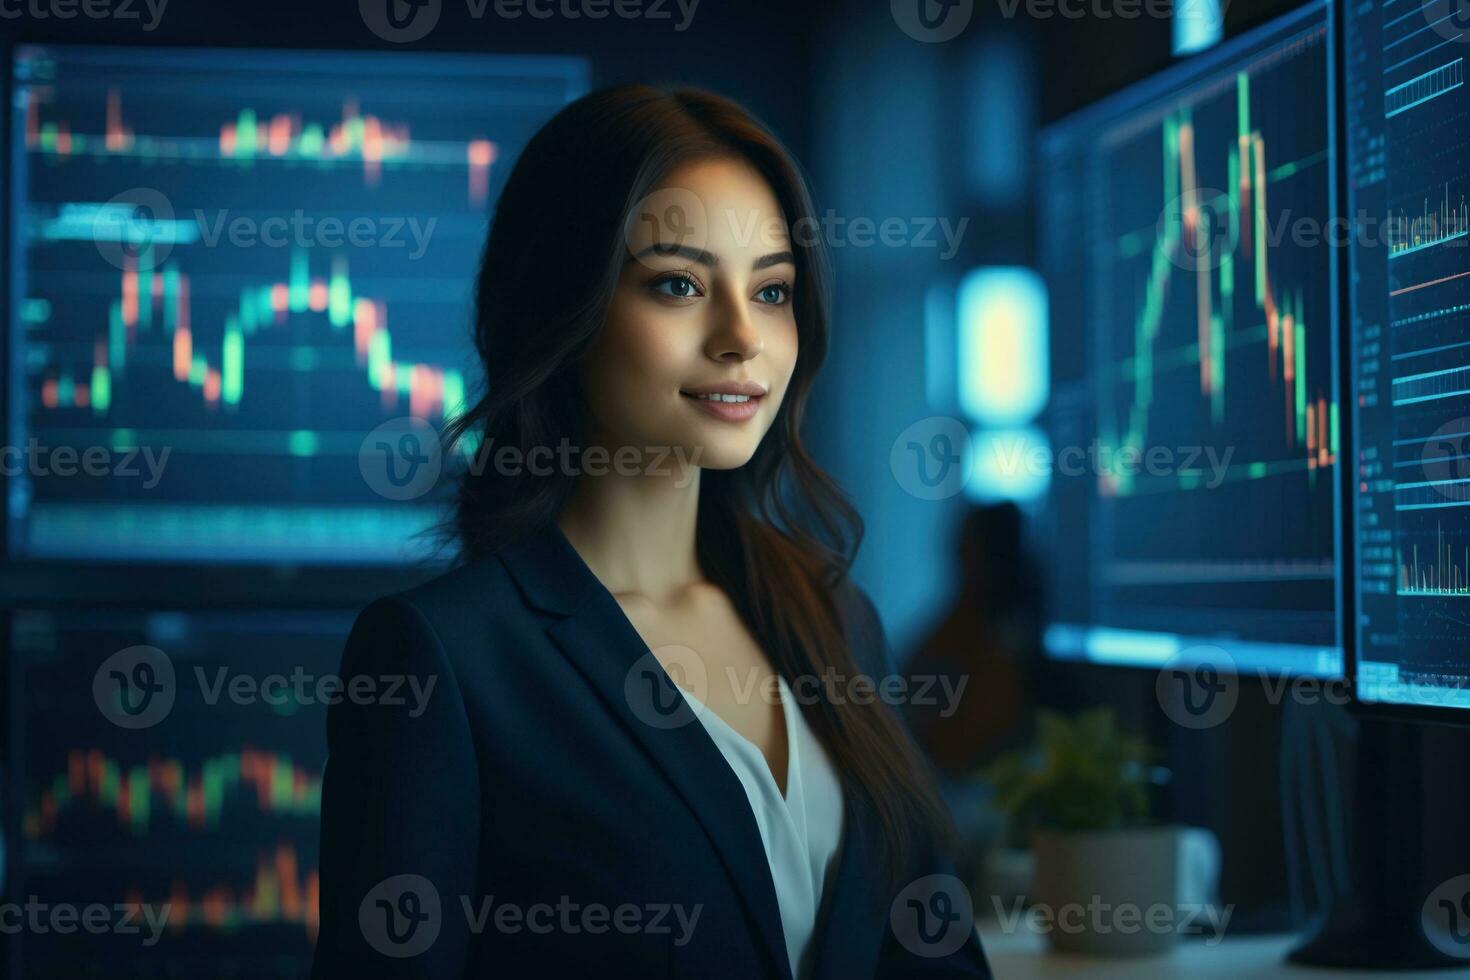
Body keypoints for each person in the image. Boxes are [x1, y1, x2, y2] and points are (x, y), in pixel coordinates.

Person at [312, 84, 992, 979]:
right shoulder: (444, 657)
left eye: (773, 289)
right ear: (567, 306)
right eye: (678, 284)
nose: (742, 337)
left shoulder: (835, 618)